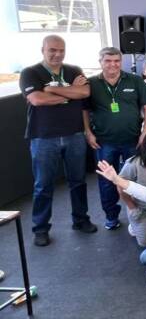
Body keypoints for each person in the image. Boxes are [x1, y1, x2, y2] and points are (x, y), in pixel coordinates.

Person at [20, 35, 97, 246]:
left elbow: (84, 92)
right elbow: (36, 99)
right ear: (42, 49)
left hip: (74, 134)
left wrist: (51, 89)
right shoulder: (30, 72)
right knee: (43, 185)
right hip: (44, 137)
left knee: (78, 181)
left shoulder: (73, 70)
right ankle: (41, 229)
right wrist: (68, 95)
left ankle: (81, 220)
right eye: (52, 50)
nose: (57, 54)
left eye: (61, 50)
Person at [84, 47, 146, 231]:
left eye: (116, 61)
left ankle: (138, 215)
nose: (113, 64)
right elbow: (84, 110)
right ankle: (111, 217)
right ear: (100, 62)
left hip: (133, 140)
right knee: (107, 182)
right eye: (108, 61)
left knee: (136, 180)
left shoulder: (135, 80)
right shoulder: (91, 83)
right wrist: (88, 132)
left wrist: (145, 132)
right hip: (104, 141)